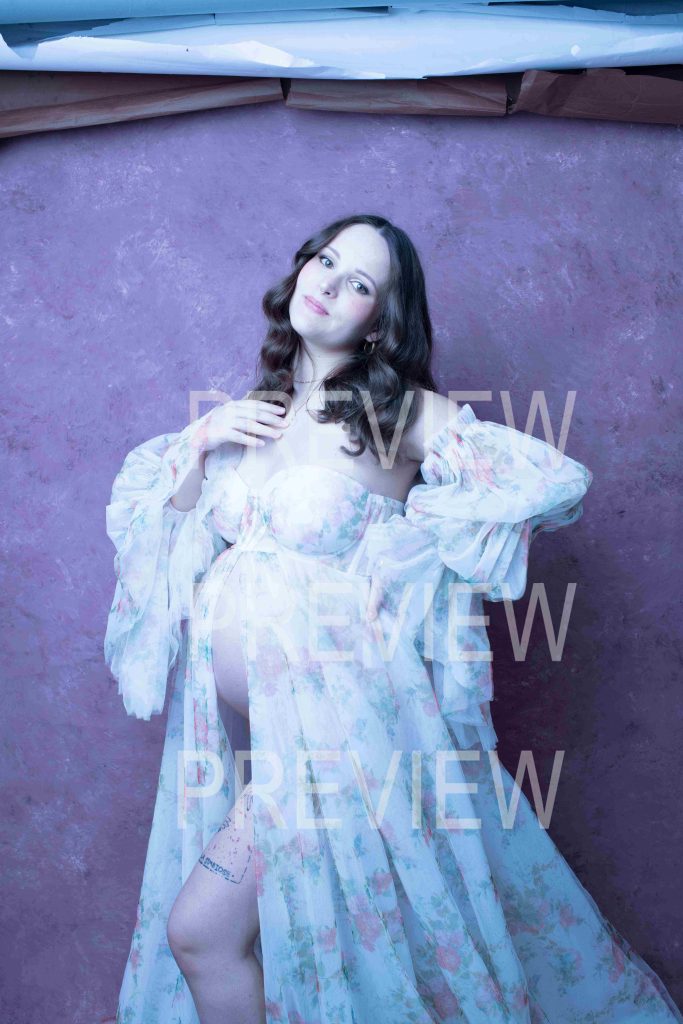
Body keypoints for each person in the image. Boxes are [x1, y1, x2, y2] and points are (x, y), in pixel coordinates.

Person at [104, 215, 682, 1024]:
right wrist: (200, 441)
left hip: (349, 738)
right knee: (254, 946)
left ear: (377, 322)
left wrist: (410, 564)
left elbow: (544, 481)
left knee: (208, 934)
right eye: (325, 260)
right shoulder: (251, 417)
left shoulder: (390, 413)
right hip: (285, 745)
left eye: (359, 284)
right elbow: (162, 548)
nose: (329, 283)